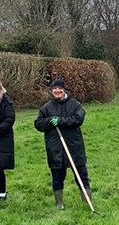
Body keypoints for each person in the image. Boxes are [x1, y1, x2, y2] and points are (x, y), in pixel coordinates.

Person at [34, 79, 90, 209]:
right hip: (55, 148)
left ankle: (87, 202)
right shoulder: (46, 108)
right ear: (51, 91)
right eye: (54, 89)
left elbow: (79, 119)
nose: (57, 91)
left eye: (59, 89)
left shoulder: (75, 104)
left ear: (64, 90)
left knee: (81, 175)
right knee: (57, 178)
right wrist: (49, 121)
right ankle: (59, 204)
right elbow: (38, 124)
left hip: (74, 146)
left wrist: (61, 121)